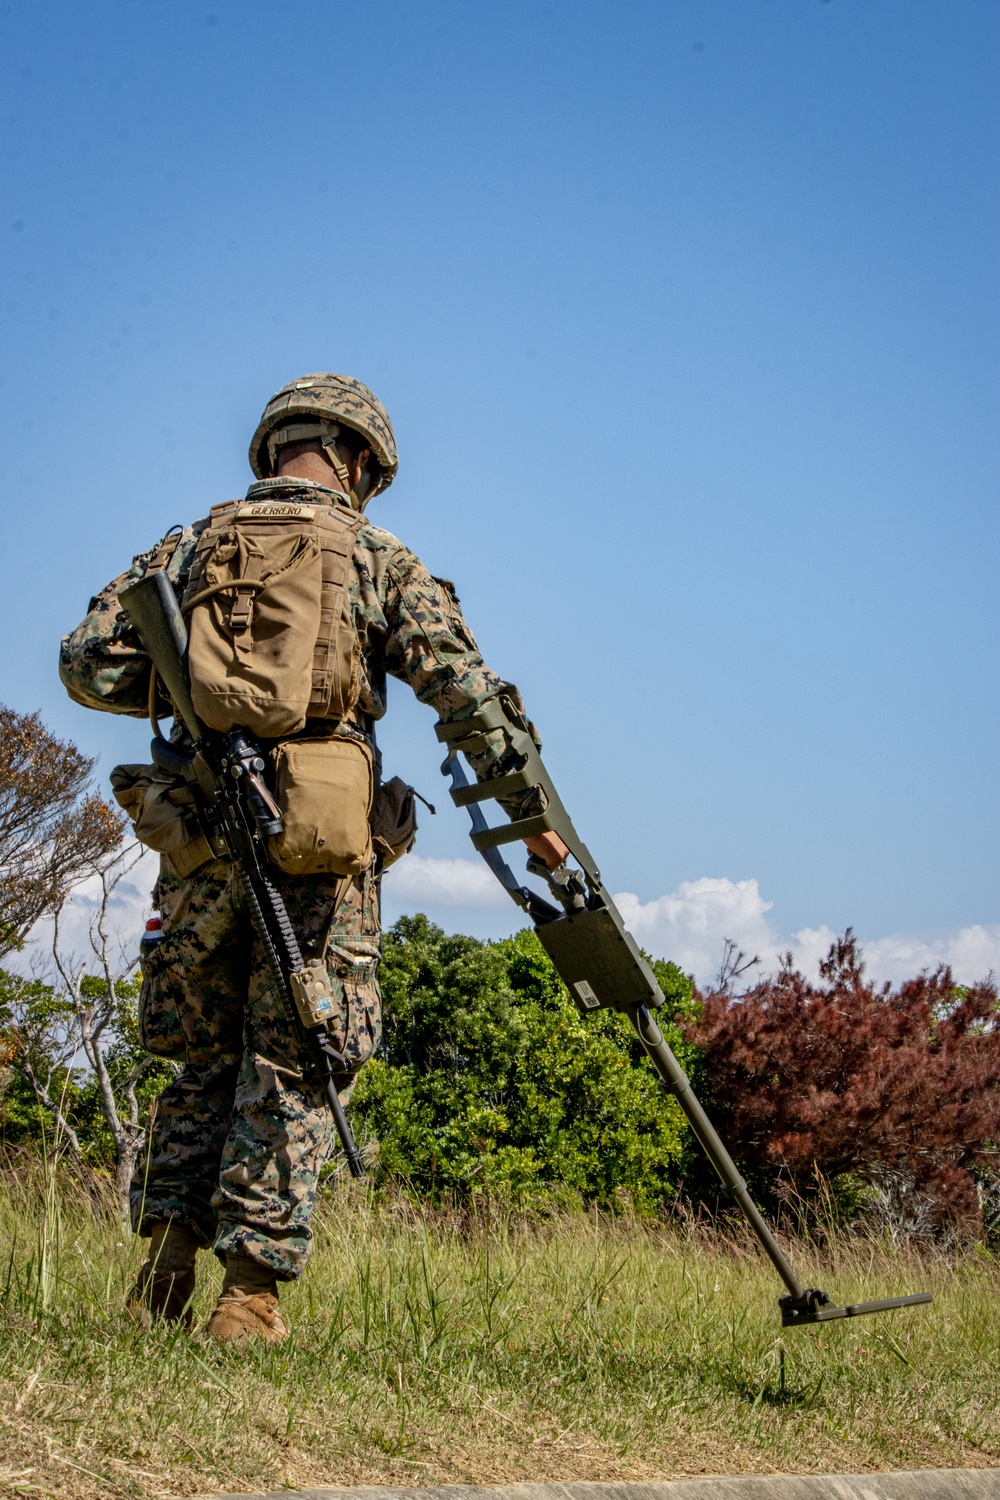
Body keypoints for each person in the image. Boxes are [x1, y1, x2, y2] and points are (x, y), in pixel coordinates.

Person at [59, 373, 567, 1343]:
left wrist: (196, 691)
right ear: (363, 462)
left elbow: (86, 663)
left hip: (202, 842)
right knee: (294, 1061)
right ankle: (247, 1299)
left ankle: (161, 1273)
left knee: (200, 1065)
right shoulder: (378, 554)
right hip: (324, 850)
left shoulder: (188, 546)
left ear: (270, 450)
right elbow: (462, 694)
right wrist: (531, 817)